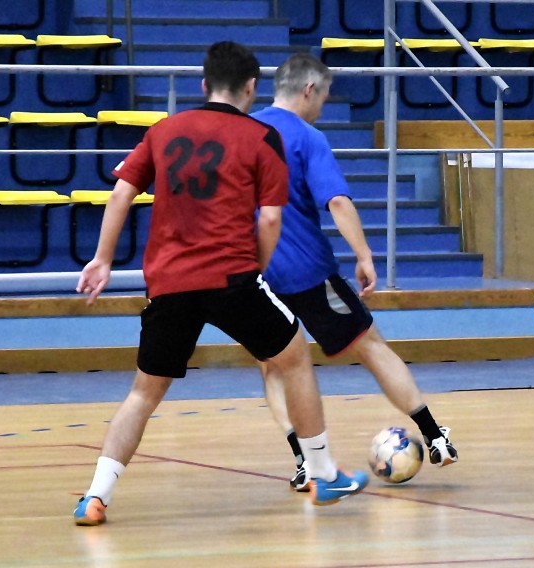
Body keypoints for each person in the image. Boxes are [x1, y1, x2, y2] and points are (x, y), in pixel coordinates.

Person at [72, 42, 368, 526]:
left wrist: (103, 259)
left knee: (144, 393)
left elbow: (122, 191)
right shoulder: (261, 138)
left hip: (169, 282)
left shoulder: (164, 131)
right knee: (294, 359)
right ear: (252, 88)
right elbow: (270, 219)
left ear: (204, 85)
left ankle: (95, 497)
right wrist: (256, 267)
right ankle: (322, 474)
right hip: (232, 277)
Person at [250, 53, 458, 491]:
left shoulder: (244, 132)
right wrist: (363, 254)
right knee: (371, 345)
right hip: (309, 272)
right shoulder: (308, 137)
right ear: (308, 90)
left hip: (257, 274)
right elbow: (338, 202)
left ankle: (305, 462)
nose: (323, 106)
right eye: (323, 96)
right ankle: (435, 435)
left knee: (274, 367)